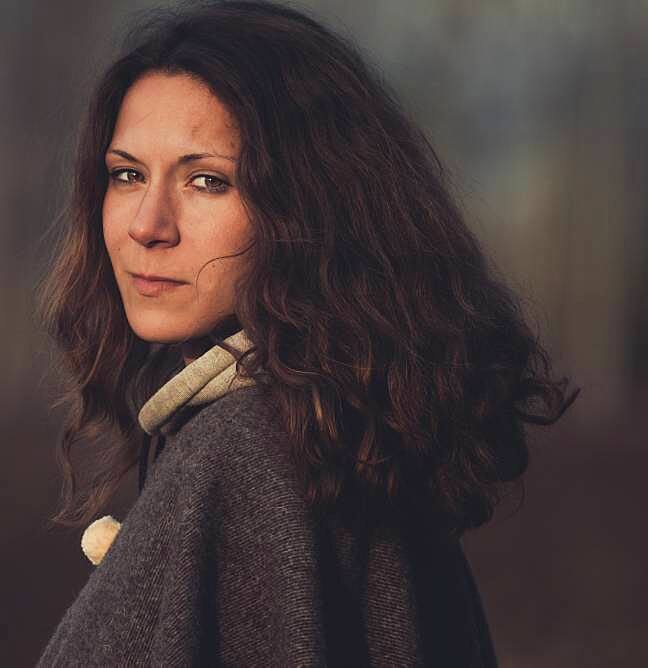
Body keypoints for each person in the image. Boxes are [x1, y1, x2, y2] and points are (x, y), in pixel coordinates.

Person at [34, 1, 579, 665]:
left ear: (306, 210)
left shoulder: (252, 450)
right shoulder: (338, 434)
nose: (149, 224)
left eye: (208, 181)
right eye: (127, 175)